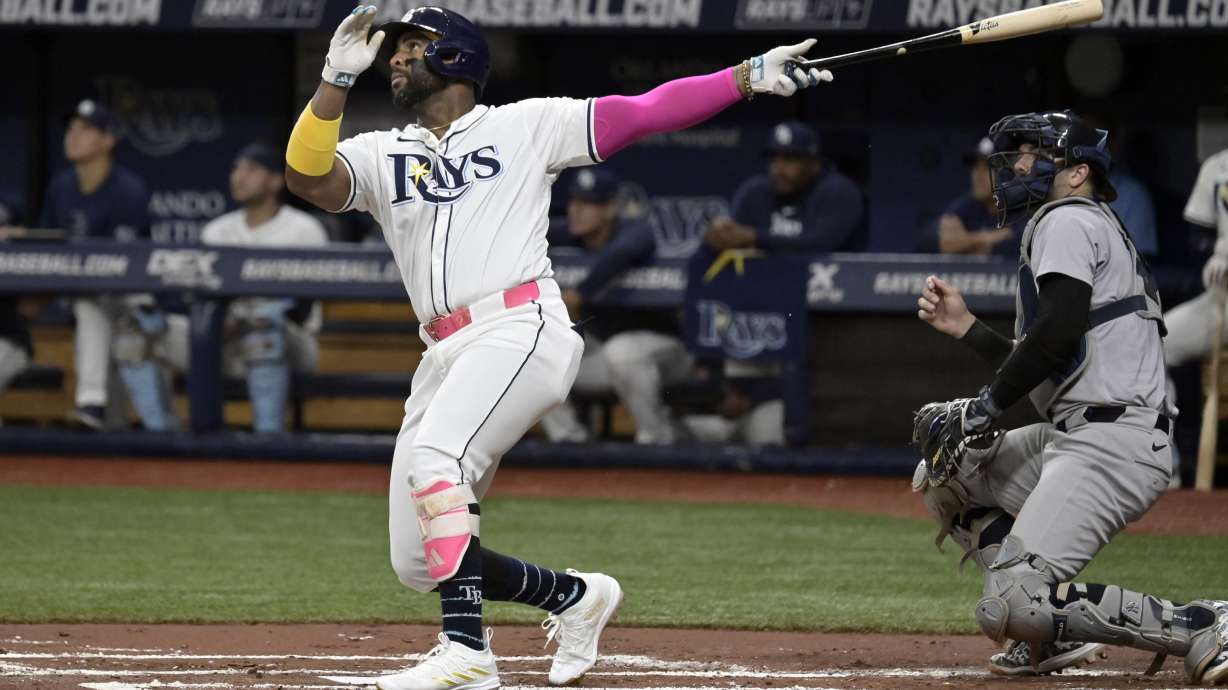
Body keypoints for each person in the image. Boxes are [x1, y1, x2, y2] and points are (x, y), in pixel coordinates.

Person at [282, 6, 832, 689]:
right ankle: (575, 597)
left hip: (521, 326)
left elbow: (646, 110)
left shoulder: (525, 124)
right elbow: (307, 179)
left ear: (454, 56)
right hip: (444, 350)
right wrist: (334, 78)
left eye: (413, 46)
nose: (395, 58)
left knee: (437, 457)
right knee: (417, 561)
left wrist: (743, 78)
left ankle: (467, 652)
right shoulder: (380, 151)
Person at [913, 110, 1227, 684]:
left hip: (1111, 442)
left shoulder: (1066, 219)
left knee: (1010, 602)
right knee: (949, 473)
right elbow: (1055, 354)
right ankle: (1048, 638)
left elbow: (1056, 338)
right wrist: (969, 330)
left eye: (1036, 153)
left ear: (1078, 172)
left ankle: (1200, 622)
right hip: (1084, 433)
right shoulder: (1085, 222)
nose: (1019, 163)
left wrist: (985, 406)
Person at [114, 142, 327, 433]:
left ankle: (269, 443)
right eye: (236, 169)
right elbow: (194, 298)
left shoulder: (303, 230)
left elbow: (303, 308)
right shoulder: (217, 231)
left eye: (251, 169)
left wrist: (241, 319)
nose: (238, 176)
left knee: (261, 331)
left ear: (276, 180)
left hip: (288, 341)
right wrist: (215, 323)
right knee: (134, 332)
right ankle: (165, 440)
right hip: (222, 341)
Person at [540, 168, 688, 444]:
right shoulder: (573, 233)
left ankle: (657, 439)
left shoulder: (635, 230)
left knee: (621, 352)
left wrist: (581, 293)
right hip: (606, 355)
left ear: (609, 209)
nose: (576, 210)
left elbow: (624, 252)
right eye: (574, 202)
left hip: (665, 352)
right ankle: (570, 442)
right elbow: (532, 231)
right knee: (536, 350)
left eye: (588, 204)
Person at [39, 99, 150, 430]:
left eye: (85, 130)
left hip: (131, 296)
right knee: (87, 305)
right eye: (71, 129)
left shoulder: (128, 190)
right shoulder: (61, 187)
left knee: (91, 303)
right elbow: (46, 244)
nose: (72, 136)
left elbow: (122, 264)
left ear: (108, 140)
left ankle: (91, 404)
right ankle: (95, 410)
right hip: (75, 292)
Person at [705, 121, 863, 253]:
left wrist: (754, 237)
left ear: (814, 164)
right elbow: (732, 238)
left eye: (789, 159)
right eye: (774, 159)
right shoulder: (755, 192)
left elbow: (820, 244)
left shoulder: (838, 191)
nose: (777, 169)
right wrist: (716, 238)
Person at [933, 137, 1022, 256]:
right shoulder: (965, 206)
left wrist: (966, 242)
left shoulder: (1024, 206)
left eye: (987, 168)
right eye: (975, 168)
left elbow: (1018, 242)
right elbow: (947, 244)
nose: (977, 176)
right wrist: (987, 239)